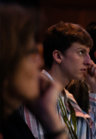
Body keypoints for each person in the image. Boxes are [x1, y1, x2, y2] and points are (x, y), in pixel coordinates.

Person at [22, 22, 96, 139]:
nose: (89, 62)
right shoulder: (37, 93)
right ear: (58, 56)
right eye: (81, 52)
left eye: (88, 53)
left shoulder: (68, 98)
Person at [0, 4, 66, 139]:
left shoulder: (12, 121)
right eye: (32, 53)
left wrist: (49, 117)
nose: (40, 62)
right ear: (6, 58)